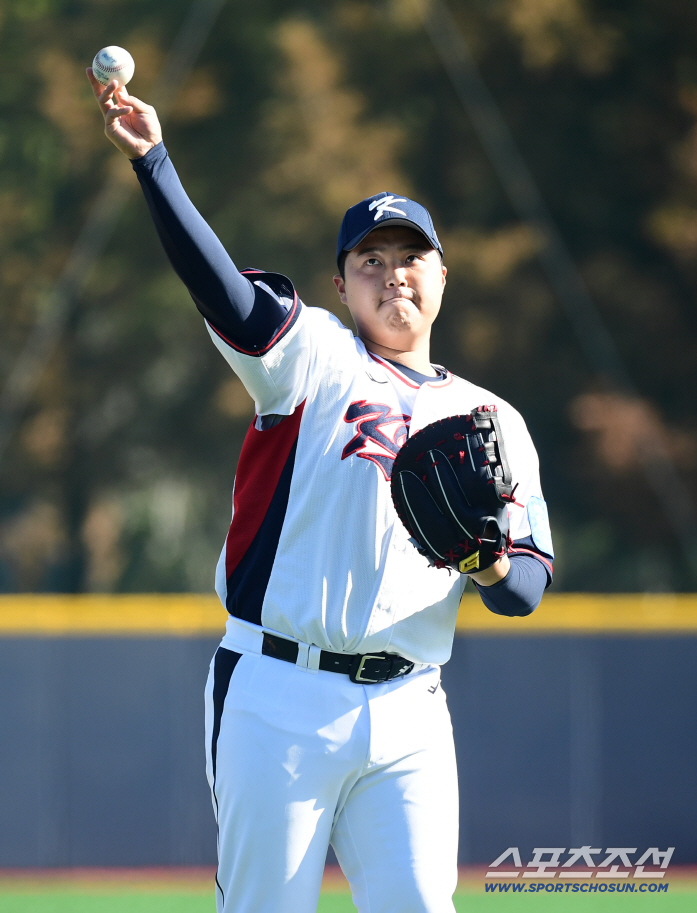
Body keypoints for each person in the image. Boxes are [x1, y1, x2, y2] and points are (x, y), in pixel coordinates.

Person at [88, 70, 554, 913]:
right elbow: (226, 293)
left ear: (444, 276)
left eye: (411, 258)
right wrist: (156, 163)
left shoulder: (494, 418)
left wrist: (483, 561)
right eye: (370, 261)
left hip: (413, 705)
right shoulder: (315, 358)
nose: (394, 275)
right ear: (341, 285)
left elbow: (525, 586)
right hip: (279, 693)